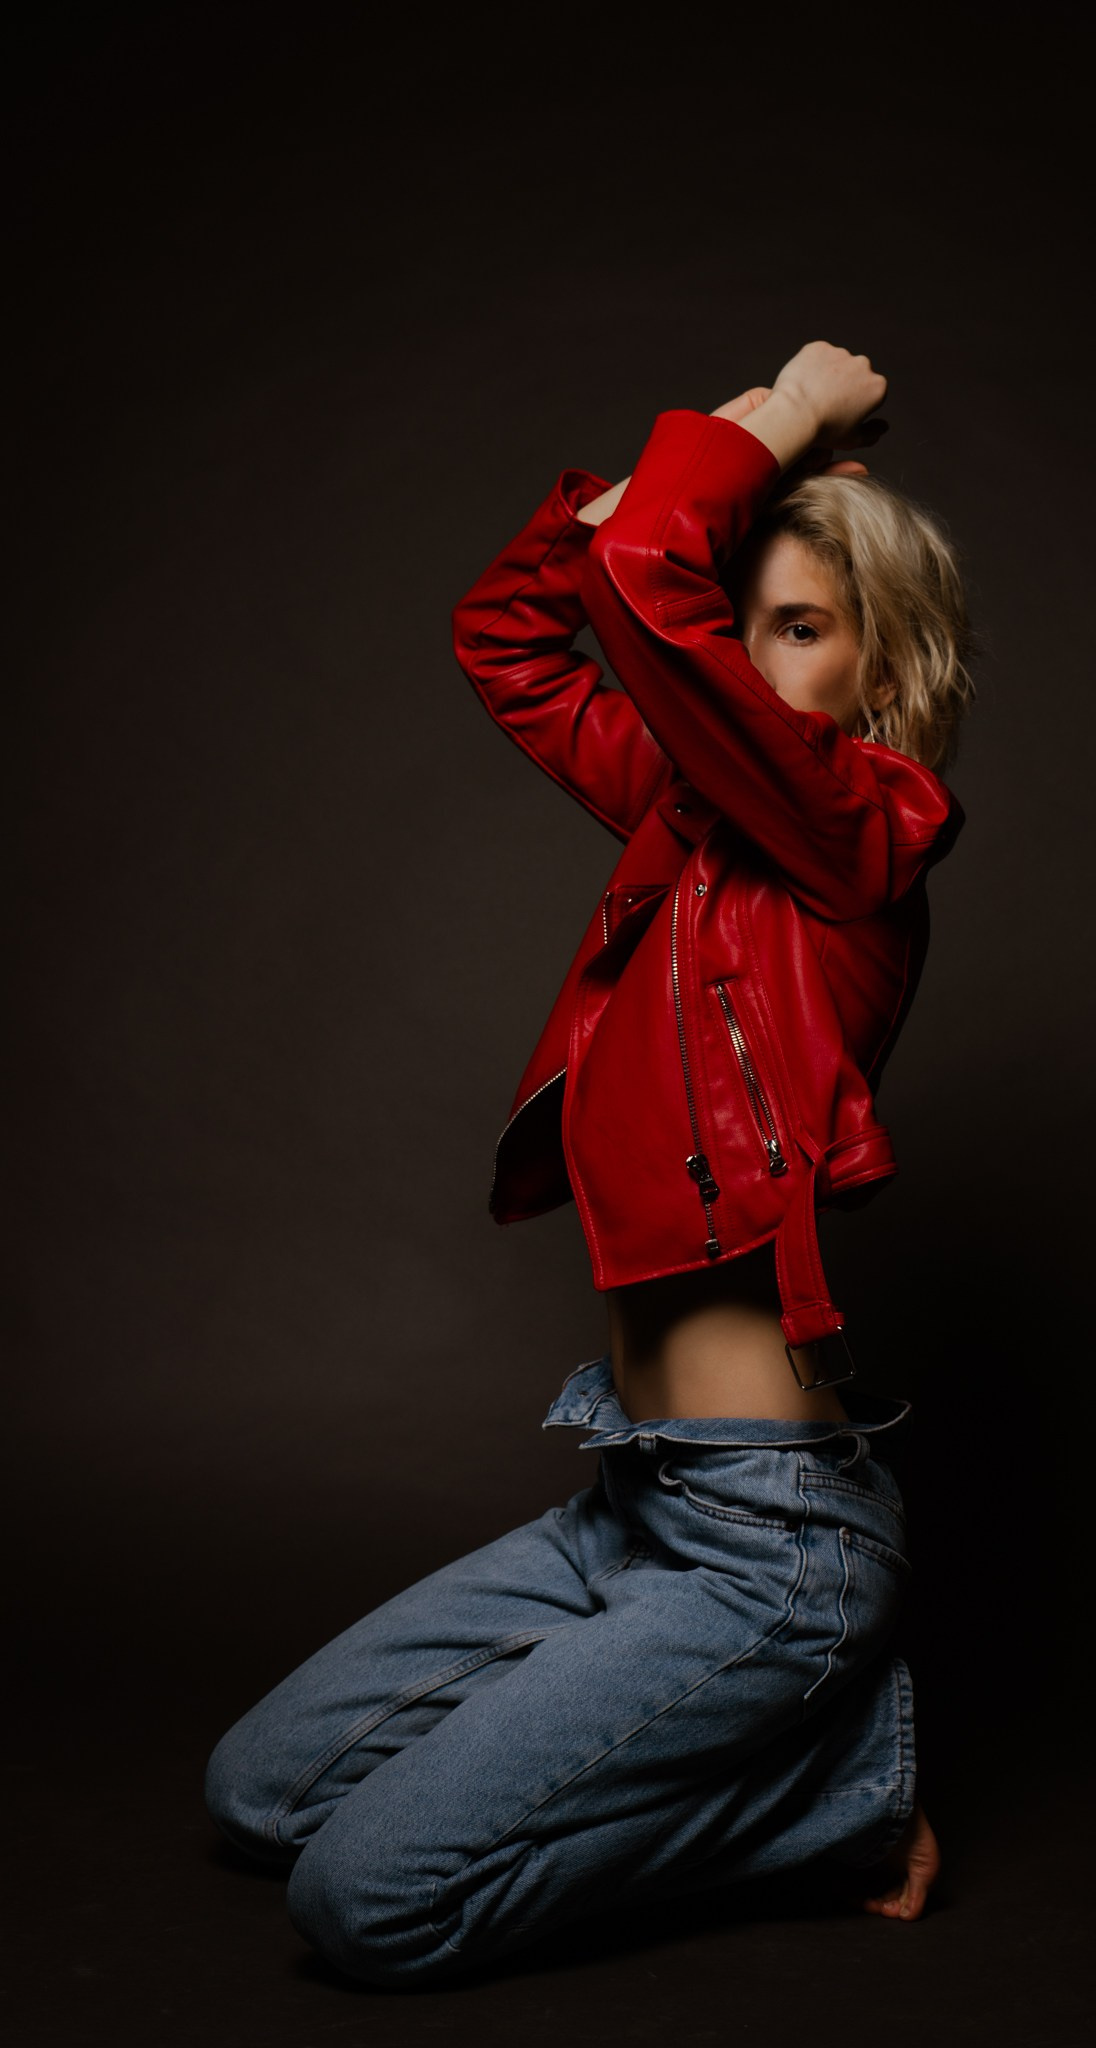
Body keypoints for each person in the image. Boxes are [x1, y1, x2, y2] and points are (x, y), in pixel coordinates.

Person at [204, 342, 975, 1986]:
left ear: (883, 671)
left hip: (772, 1545)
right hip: (631, 1504)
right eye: (735, 623)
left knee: (363, 1907)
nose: (746, 661)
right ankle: (777, 1752)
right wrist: (650, 494)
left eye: (797, 628)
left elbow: (643, 590)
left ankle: (838, 1795)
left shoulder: (860, 839)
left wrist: (783, 413)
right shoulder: (684, 816)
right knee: (258, 1796)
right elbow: (511, 637)